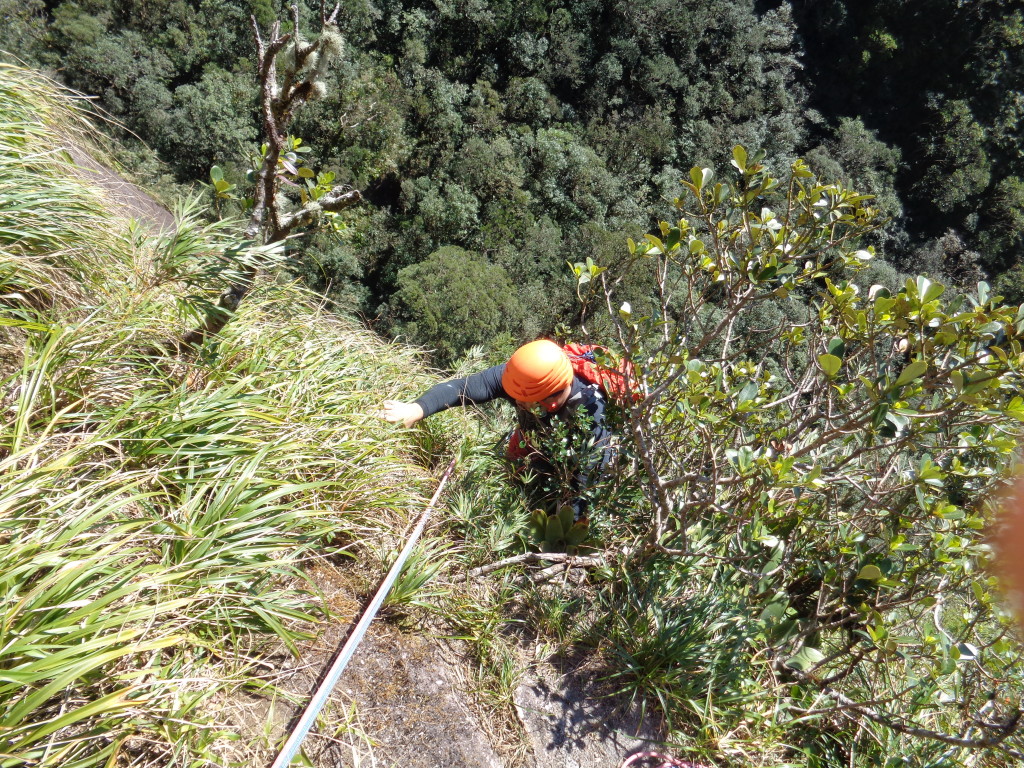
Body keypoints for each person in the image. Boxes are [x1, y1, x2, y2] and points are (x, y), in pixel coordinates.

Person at [381, 339, 613, 520]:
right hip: (533, 440)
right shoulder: (523, 378)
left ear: (550, 402)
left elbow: (586, 484)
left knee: (558, 503)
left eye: (525, 401)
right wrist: (415, 409)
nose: (516, 401)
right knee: (515, 475)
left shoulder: (593, 411)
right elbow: (462, 388)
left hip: (581, 458)